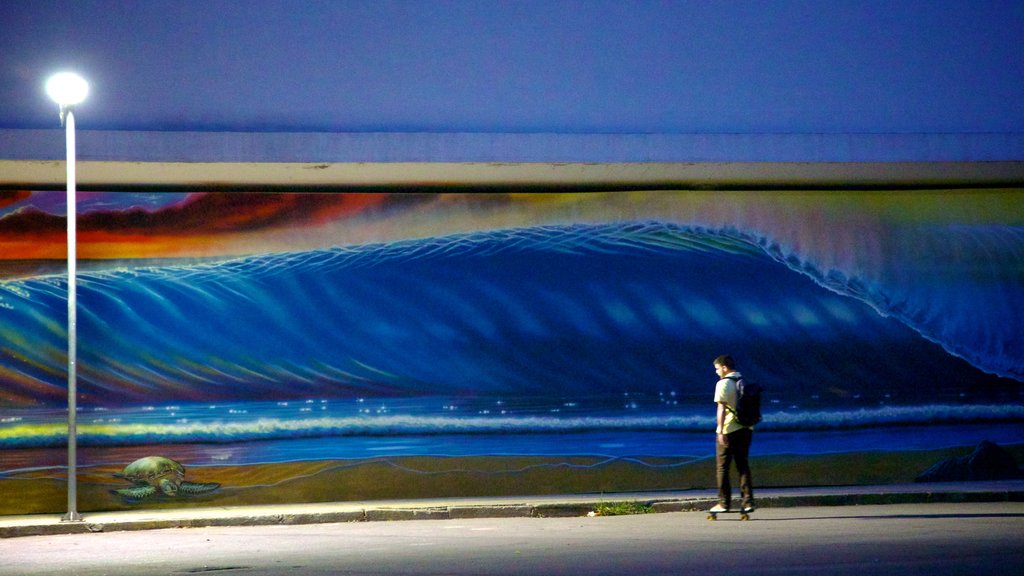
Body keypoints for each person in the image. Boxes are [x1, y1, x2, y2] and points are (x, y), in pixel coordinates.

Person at [710, 354, 754, 513]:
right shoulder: (743, 381)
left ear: (724, 367)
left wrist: (721, 431)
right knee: (743, 466)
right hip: (746, 429)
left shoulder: (723, 384)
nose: (716, 372)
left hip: (729, 429)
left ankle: (723, 503)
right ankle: (748, 502)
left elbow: (721, 409)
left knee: (723, 468)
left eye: (717, 368)